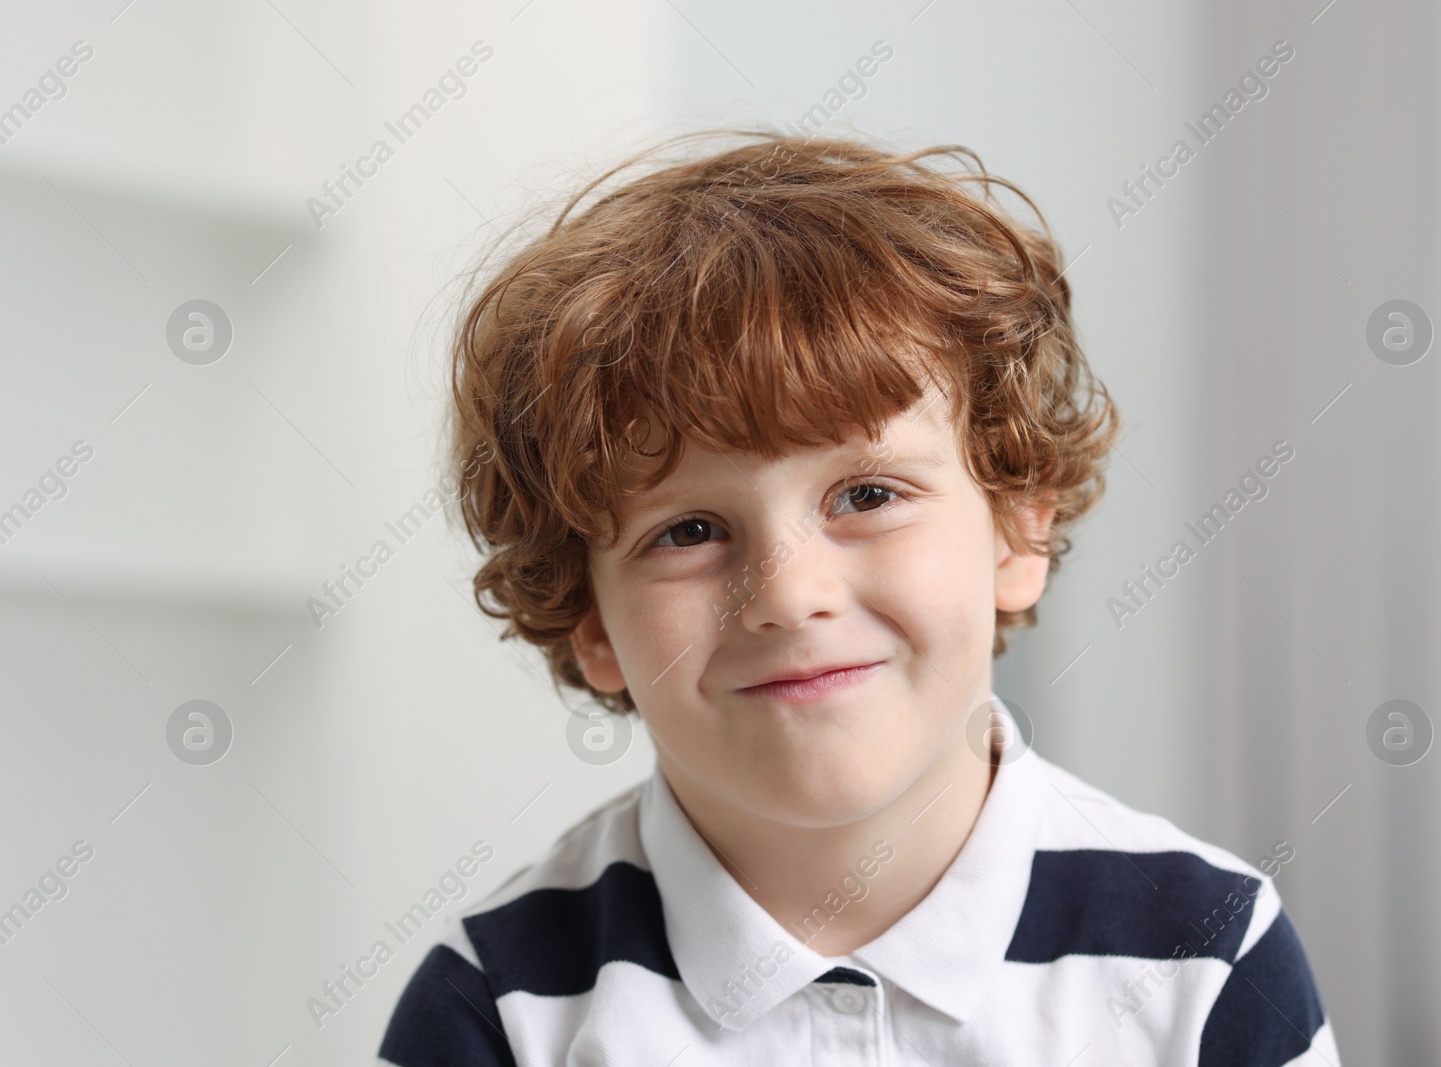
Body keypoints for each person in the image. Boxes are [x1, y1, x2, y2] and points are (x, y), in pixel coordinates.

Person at [375, 130, 1340, 1065]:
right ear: (591, 624)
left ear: (1018, 531)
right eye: (690, 530)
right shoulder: (496, 1004)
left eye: (867, 496)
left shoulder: (1205, 955)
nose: (789, 597)